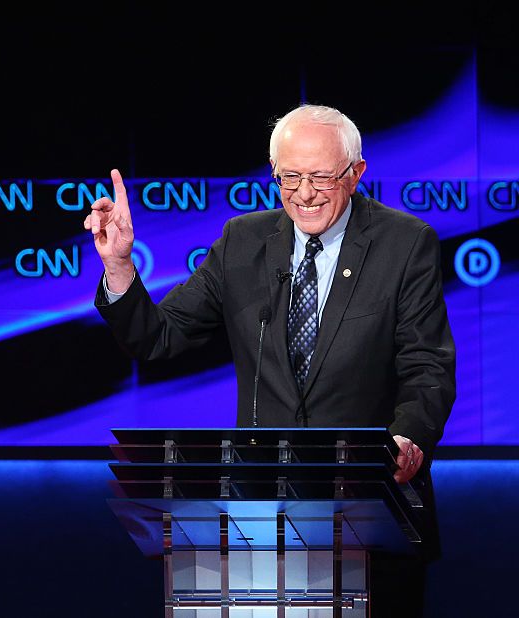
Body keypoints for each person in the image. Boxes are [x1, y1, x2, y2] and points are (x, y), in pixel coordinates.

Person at [85, 104, 454, 615]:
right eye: (290, 176)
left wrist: (409, 436)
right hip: (259, 518)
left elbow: (427, 365)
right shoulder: (244, 241)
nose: (304, 194)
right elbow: (160, 338)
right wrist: (120, 266)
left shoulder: (404, 243)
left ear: (356, 173)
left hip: (370, 512)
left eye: (321, 177)